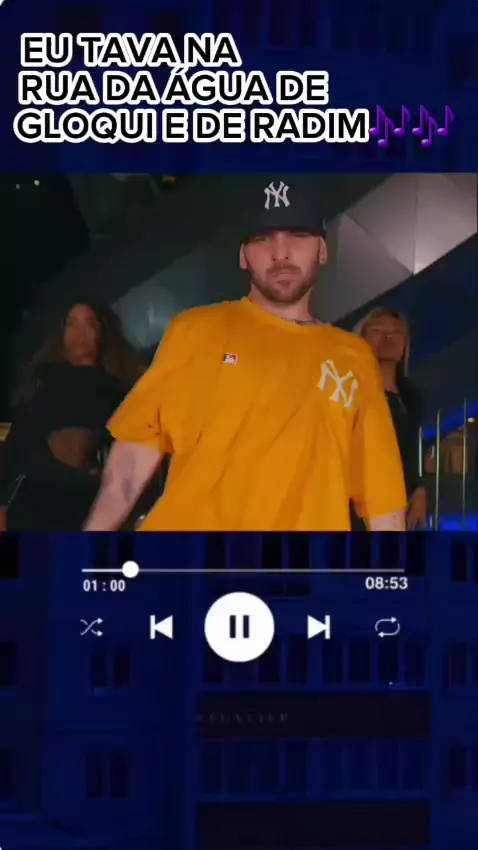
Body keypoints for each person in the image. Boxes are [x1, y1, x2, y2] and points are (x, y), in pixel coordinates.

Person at [84, 176, 407, 532]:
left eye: (298, 236)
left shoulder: (353, 358)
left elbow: (382, 497)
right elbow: (130, 463)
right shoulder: (195, 331)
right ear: (242, 255)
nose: (281, 253)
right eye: (263, 238)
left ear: (322, 250)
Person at [0, 301, 144, 531]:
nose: (80, 333)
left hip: (88, 507)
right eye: (72, 323)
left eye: (89, 323)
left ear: (102, 332)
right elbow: (17, 447)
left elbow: (130, 455)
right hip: (33, 504)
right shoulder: (42, 381)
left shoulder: (118, 389)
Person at [353, 307, 427, 530]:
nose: (388, 337)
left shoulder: (411, 395)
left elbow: (409, 450)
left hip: (399, 504)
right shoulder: (351, 390)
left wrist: (418, 487)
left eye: (396, 332)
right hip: (359, 503)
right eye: (377, 330)